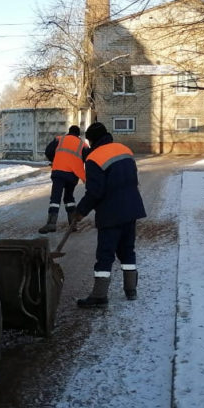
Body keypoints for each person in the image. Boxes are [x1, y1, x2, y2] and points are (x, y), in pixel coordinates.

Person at [70, 122, 146, 307]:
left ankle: (99, 296)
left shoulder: (94, 158)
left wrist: (80, 212)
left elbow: (95, 191)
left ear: (92, 139)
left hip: (111, 214)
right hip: (131, 209)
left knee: (105, 255)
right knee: (127, 251)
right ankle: (131, 291)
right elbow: (133, 179)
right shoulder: (124, 150)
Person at [38, 125, 90, 233]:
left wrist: (54, 159)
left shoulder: (59, 139)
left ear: (69, 132)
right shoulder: (83, 144)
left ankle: (51, 223)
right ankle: (73, 224)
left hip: (59, 172)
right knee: (69, 197)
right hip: (72, 175)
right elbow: (88, 159)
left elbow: (48, 151)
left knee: (55, 198)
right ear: (78, 135)